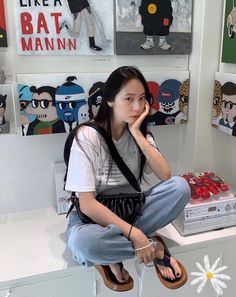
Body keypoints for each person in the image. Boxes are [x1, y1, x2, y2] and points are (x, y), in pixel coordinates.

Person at [64, 66, 191, 292]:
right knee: (84, 245)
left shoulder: (140, 133)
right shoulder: (87, 136)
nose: (137, 106)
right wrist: (138, 236)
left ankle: (114, 252)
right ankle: (153, 245)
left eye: (142, 98)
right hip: (93, 218)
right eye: (129, 98)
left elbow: (165, 175)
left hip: (131, 207)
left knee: (181, 187)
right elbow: (87, 204)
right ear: (110, 101)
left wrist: (137, 134)